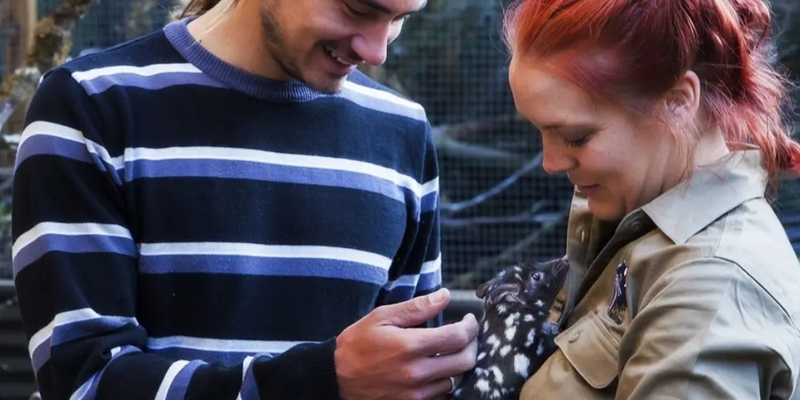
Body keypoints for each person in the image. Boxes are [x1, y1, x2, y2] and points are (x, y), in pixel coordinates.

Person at [10, 0, 480, 399]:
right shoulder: (91, 105)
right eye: (357, 9)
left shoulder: (403, 132)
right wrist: (319, 382)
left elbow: (406, 375)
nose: (376, 51)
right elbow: (83, 381)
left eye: (401, 18)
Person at [503, 0, 800, 398]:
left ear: (678, 101)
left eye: (576, 136)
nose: (550, 162)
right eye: (539, 130)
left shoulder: (707, 288)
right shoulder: (640, 231)